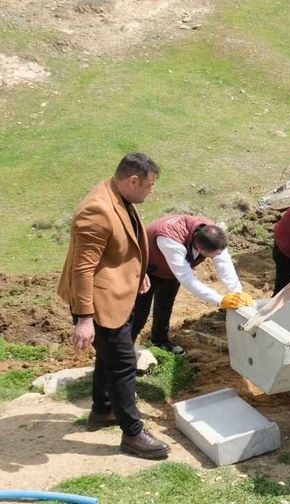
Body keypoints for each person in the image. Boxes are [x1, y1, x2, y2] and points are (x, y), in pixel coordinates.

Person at [57, 152, 170, 459]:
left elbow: (124, 245)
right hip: (98, 303)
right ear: (133, 180)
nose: (151, 190)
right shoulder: (96, 210)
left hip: (116, 292)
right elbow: (83, 269)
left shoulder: (119, 196)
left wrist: (139, 274)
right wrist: (84, 318)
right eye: (149, 184)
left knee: (108, 357)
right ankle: (132, 435)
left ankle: (103, 410)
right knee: (122, 364)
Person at [131, 215, 253, 357]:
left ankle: (159, 340)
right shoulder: (170, 239)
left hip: (171, 271)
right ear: (200, 249)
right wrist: (219, 300)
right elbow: (186, 277)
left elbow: (224, 261)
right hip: (146, 267)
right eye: (211, 256)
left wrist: (236, 291)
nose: (215, 258)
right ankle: (125, 347)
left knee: (165, 304)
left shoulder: (212, 236)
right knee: (139, 311)